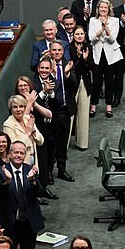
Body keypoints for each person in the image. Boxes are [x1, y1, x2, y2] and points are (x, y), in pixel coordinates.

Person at [47, 41, 78, 182]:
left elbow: (74, 83)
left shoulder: (68, 63)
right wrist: (52, 73)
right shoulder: (45, 65)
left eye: (59, 50)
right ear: (50, 51)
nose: (57, 52)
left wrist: (66, 73)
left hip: (65, 110)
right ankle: (48, 172)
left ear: (63, 51)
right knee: (51, 143)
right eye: (54, 50)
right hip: (51, 112)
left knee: (63, 143)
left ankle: (62, 170)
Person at [89, 0, 123, 117]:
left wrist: (106, 27)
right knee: (97, 83)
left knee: (109, 82)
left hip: (111, 56)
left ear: (109, 9)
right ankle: (93, 107)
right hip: (97, 55)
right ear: (98, 9)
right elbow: (92, 38)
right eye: (101, 7)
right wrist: (102, 28)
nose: (103, 9)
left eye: (105, 7)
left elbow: (112, 39)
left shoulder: (115, 21)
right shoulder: (93, 20)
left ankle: (109, 107)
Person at [2, 95, 44, 169]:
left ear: (25, 108)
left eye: (21, 106)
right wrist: (28, 133)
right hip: (18, 162)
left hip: (34, 159)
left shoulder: (28, 118)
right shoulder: (8, 124)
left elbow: (41, 141)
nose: (18, 109)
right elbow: (14, 147)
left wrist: (34, 132)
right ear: (11, 109)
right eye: (15, 107)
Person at [69, 25, 93, 150]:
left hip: (86, 82)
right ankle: (66, 144)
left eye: (81, 34)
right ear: (73, 35)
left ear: (85, 35)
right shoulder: (69, 48)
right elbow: (72, 67)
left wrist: (84, 60)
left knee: (83, 113)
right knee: (71, 113)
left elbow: (92, 65)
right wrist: (80, 58)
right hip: (73, 83)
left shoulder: (88, 47)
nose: (79, 36)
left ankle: (82, 143)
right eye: (77, 34)